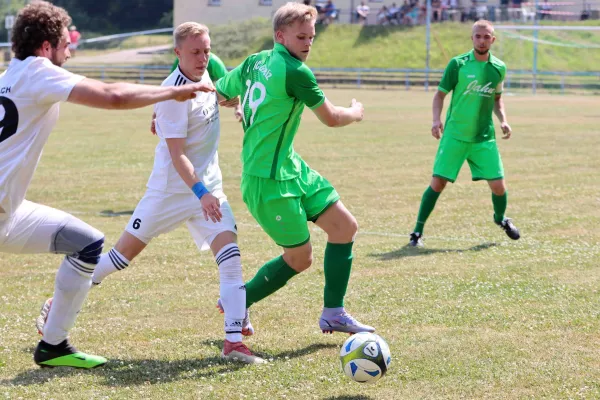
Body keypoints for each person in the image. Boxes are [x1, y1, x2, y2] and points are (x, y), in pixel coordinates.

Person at [35, 22, 264, 364]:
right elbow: (177, 154)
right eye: (195, 52)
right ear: (177, 54)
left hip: (208, 190)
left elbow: (226, 94)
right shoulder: (171, 93)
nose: (203, 58)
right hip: (170, 192)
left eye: (207, 50)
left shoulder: (211, 70)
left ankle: (233, 342)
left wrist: (239, 105)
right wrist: (201, 191)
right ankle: (56, 305)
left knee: (230, 257)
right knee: (118, 259)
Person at [0, 1, 213, 369]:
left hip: (9, 212)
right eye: (66, 43)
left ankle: (53, 345)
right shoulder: (37, 71)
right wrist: (169, 93)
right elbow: (112, 95)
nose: (71, 49)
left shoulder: (10, 75)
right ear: (45, 47)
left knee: (87, 244)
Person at [215, 2, 374, 335]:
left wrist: (240, 104)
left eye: (312, 37)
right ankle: (238, 302)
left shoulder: (253, 61)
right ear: (280, 35)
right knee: (301, 258)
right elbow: (331, 117)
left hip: (291, 167)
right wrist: (356, 111)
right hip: (266, 180)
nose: (307, 43)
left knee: (344, 227)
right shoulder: (296, 72)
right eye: (301, 36)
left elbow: (222, 93)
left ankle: (333, 312)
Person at [408, 20, 520, 248]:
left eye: (486, 37)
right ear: (472, 38)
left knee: (499, 186)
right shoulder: (457, 64)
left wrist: (504, 120)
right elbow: (439, 95)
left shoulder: (498, 67)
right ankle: (417, 232)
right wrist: (436, 119)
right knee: (437, 183)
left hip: (483, 138)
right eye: (478, 36)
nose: (482, 40)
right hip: (455, 136)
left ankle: (501, 219)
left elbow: (497, 99)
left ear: (493, 40)